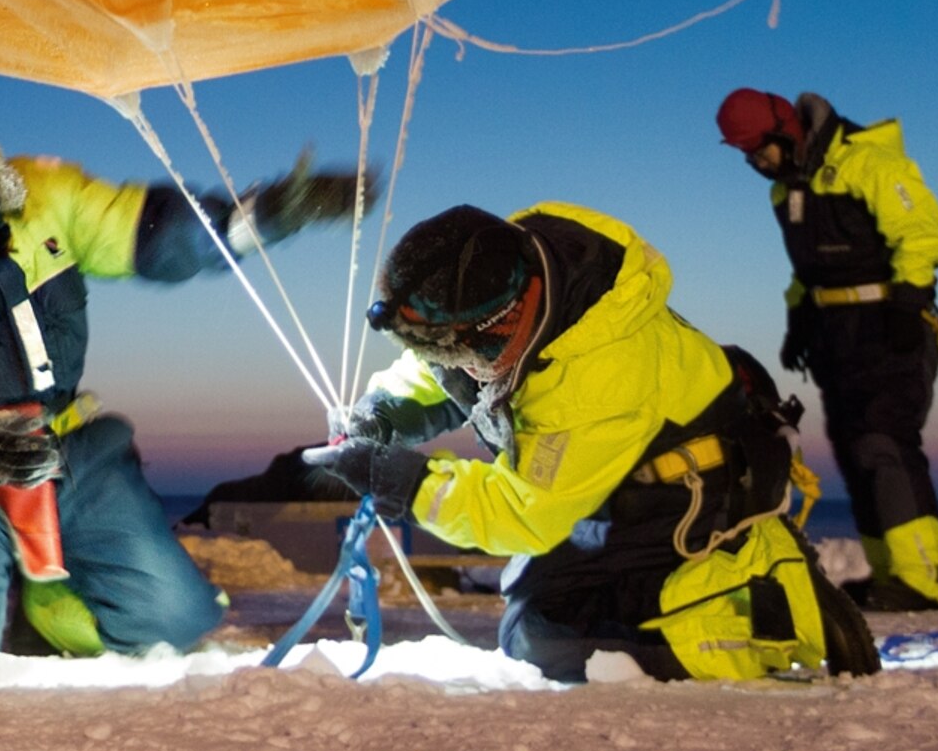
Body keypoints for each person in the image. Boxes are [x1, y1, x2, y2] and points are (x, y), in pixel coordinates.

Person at [0, 91, 369, 672]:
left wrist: (263, 216)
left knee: (173, 621)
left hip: (66, 447)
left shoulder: (43, 194)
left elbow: (146, 232)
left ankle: (31, 608)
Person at [305, 202, 870, 682]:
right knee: (531, 621)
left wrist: (404, 482)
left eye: (456, 351)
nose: (449, 364)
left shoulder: (598, 379)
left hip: (682, 497)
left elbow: (521, 514)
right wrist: (386, 411)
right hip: (609, 480)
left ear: (500, 324)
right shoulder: (512, 270)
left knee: (558, 645)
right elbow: (440, 361)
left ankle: (768, 594)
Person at [715, 85, 938, 610]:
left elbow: (925, 235)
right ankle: (890, 574)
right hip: (835, 331)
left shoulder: (867, 162)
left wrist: (907, 303)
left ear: (787, 129)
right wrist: (798, 321)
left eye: (761, 148)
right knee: (856, 452)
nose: (757, 162)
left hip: (888, 320)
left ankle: (924, 579)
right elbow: (806, 270)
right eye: (746, 155)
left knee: (885, 440)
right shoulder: (786, 191)